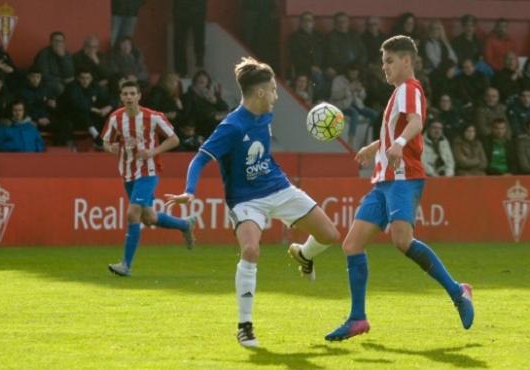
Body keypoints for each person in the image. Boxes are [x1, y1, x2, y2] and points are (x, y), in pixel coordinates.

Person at [164, 57, 341, 347]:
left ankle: (304, 255)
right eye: (273, 89)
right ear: (259, 92)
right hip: (246, 200)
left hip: (278, 187)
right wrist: (189, 190)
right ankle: (245, 326)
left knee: (330, 235)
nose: (276, 95)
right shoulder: (232, 126)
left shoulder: (265, 116)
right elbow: (200, 158)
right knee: (250, 250)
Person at [324, 35, 473, 342]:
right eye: (383, 63)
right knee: (352, 245)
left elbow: (416, 122)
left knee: (401, 240)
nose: (385, 68)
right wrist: (374, 146)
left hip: (404, 177)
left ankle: (458, 291)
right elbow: (399, 130)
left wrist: (400, 143)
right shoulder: (398, 95)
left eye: (389, 61)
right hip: (384, 181)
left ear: (407, 60)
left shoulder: (409, 89)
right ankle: (357, 318)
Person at [102, 80, 195, 277]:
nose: (128, 97)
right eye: (125, 93)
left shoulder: (153, 117)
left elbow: (174, 139)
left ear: (138, 96)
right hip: (128, 173)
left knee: (131, 213)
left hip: (148, 172)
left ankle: (125, 265)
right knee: (149, 217)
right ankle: (185, 224)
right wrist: (112, 148)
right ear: (121, 97)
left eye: (132, 93)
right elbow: (106, 142)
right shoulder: (115, 119)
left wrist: (153, 151)